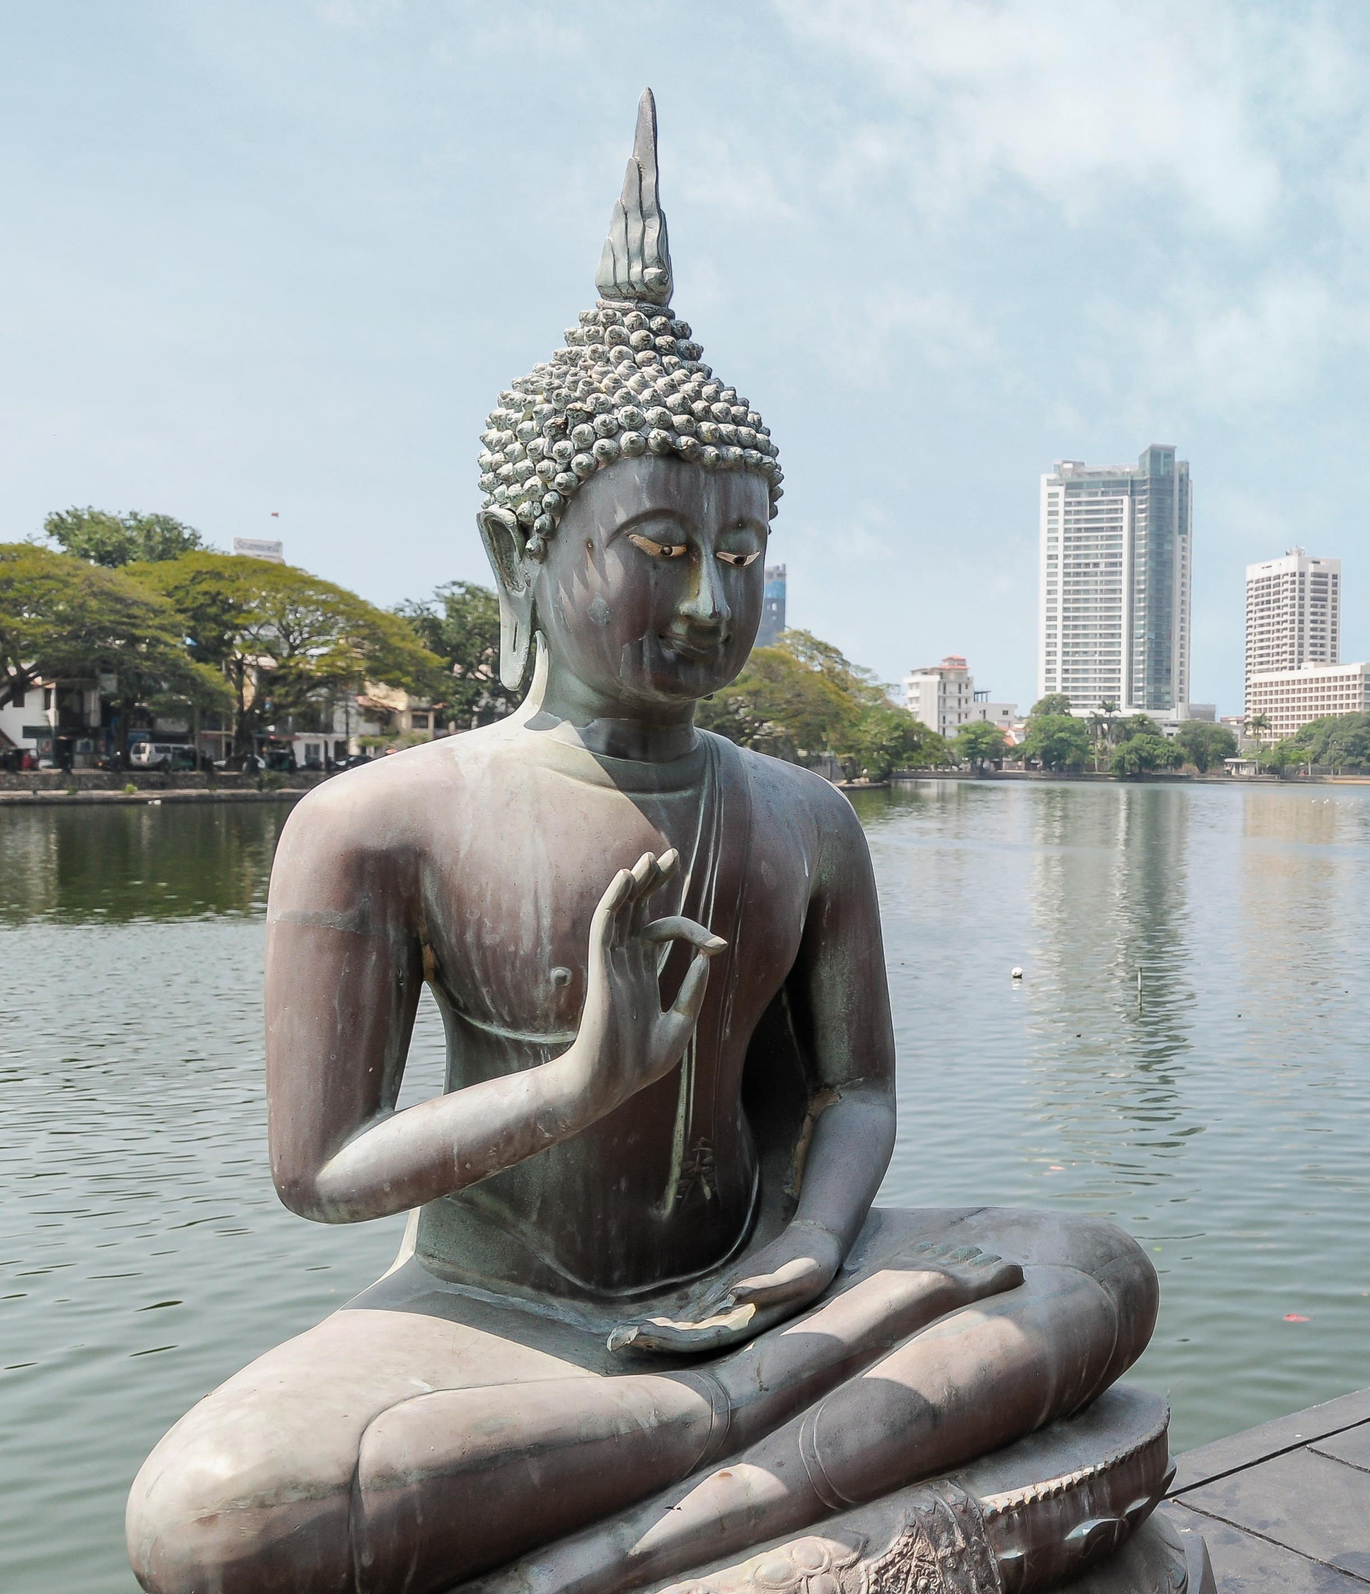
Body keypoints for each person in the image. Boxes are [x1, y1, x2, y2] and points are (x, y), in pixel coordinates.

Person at [127, 94, 1162, 1594]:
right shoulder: (374, 822)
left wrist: (813, 1241)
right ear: (520, 551)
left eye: (742, 558)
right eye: (665, 549)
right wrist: (577, 1083)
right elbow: (324, 1169)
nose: (709, 605)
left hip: (766, 1278)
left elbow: (854, 1090)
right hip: (492, 1323)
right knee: (219, 1513)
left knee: (1096, 1271)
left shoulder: (806, 816)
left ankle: (671, 1485)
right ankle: (729, 1436)